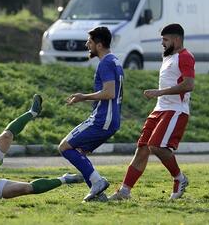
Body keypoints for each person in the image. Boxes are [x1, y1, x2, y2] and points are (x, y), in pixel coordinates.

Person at [108, 23, 195, 201]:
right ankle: (124, 191)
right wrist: (158, 96)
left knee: (156, 146)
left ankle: (179, 178)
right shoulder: (168, 57)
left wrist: (159, 92)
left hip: (175, 110)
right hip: (159, 109)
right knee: (142, 149)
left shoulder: (185, 56)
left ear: (177, 40)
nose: (162, 43)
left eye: (165, 39)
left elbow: (188, 85)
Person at [58, 26, 124, 202]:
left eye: (90, 41)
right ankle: (97, 194)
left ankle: (97, 182)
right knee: (78, 152)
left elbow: (109, 93)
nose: (87, 44)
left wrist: (83, 97)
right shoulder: (115, 61)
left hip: (102, 119)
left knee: (64, 147)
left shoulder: (106, 63)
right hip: (111, 119)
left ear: (99, 45)